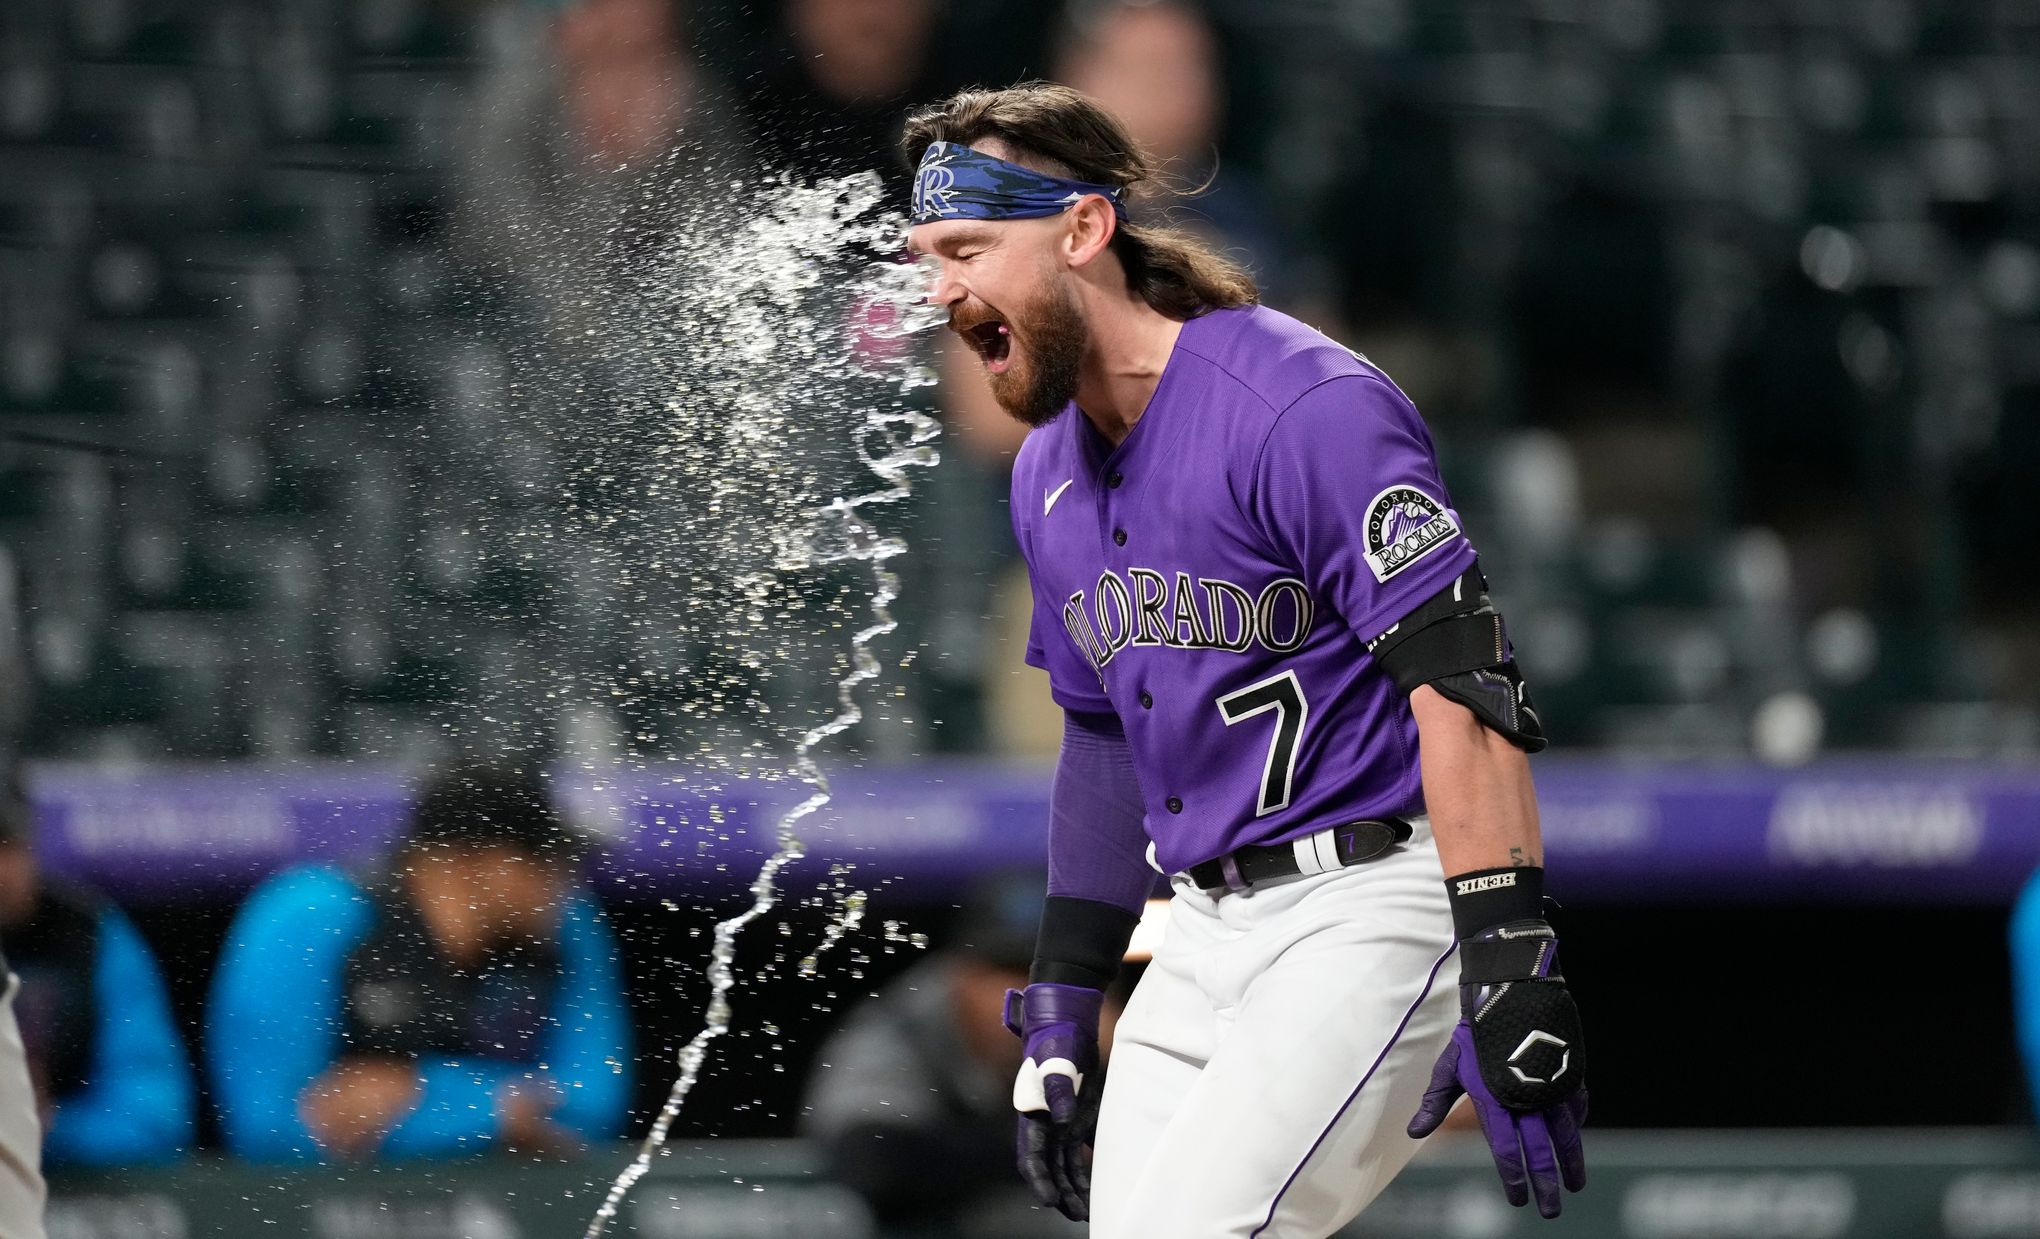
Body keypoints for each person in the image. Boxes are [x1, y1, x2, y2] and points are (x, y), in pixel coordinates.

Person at [899, 84, 1588, 1236]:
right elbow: (1106, 740)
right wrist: (1067, 988)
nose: (941, 288)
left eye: (968, 247)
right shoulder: (1044, 471)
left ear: (1083, 231)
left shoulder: (1299, 402)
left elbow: (1465, 689)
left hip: (1369, 901)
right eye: (928, 256)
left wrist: (1509, 950)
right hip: (1201, 928)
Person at [208, 765, 632, 1162]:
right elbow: (270, 1129)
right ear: (468, 860)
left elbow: (594, 1108)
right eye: (542, 858)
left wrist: (423, 1088)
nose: (564, 877)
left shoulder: (570, 923)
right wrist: (503, 1115)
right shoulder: (311, 913)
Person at [801, 871, 1126, 1227]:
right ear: (959, 973)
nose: (1032, 991)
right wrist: (1045, 1144)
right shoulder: (907, 1026)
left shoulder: (1114, 1031)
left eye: (1059, 976)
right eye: (1007, 969)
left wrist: (1116, 1066)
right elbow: (875, 1160)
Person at [0, 775, 192, 1167]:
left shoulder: (90, 933)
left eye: (6, 843)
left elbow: (156, 1121)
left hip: (65, 1187)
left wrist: (50, 1127)